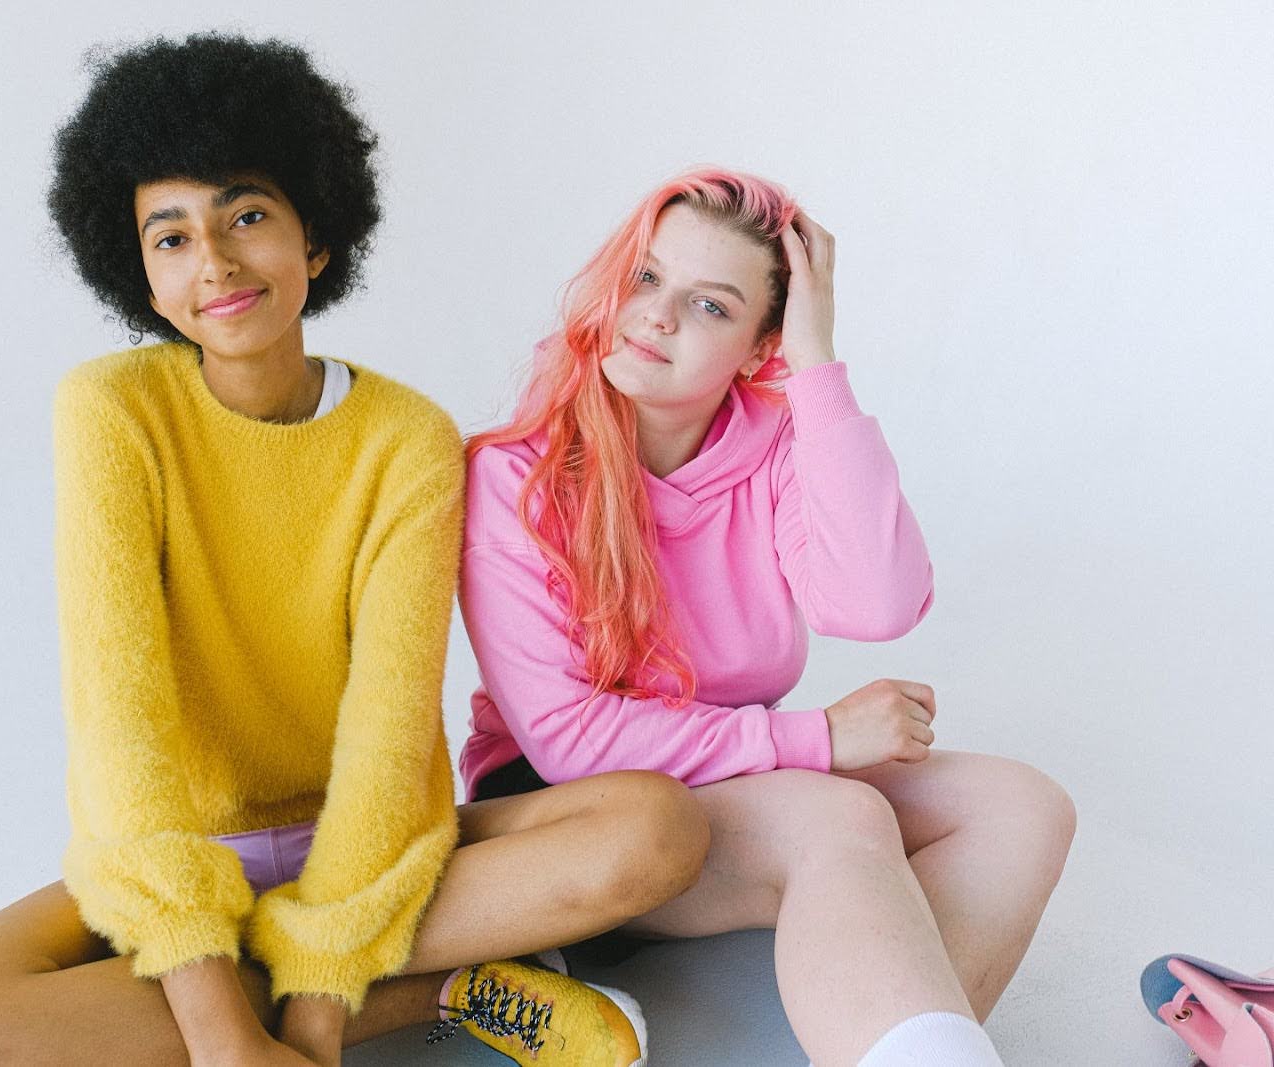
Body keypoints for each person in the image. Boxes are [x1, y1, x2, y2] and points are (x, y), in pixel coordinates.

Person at [0, 34, 707, 1067]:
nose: (214, 261)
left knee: (655, 827)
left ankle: (343, 976)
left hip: (375, 854)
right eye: (171, 237)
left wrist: (311, 1017)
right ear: (141, 277)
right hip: (180, 861)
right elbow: (119, 729)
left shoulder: (406, 437)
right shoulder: (109, 410)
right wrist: (224, 1038)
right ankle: (446, 985)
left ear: (315, 239)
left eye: (247, 216)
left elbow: (390, 733)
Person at [458, 167, 1077, 1067]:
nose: (656, 316)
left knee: (1022, 807)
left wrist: (817, 362)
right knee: (833, 815)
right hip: (570, 821)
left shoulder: (779, 441)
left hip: (732, 780)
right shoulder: (514, 475)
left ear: (760, 346)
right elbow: (569, 741)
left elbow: (877, 603)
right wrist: (816, 738)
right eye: (645, 277)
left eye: (710, 305)